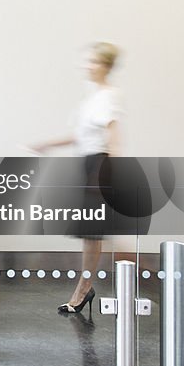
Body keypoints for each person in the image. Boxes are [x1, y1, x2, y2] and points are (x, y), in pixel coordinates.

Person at [30, 42, 123, 314]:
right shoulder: (92, 98)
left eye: (93, 61)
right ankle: (85, 287)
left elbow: (114, 138)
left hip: (99, 166)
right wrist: (46, 144)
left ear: (106, 66)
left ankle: (83, 290)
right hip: (88, 164)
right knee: (89, 233)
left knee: (93, 233)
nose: (87, 66)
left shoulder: (109, 96)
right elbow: (81, 136)